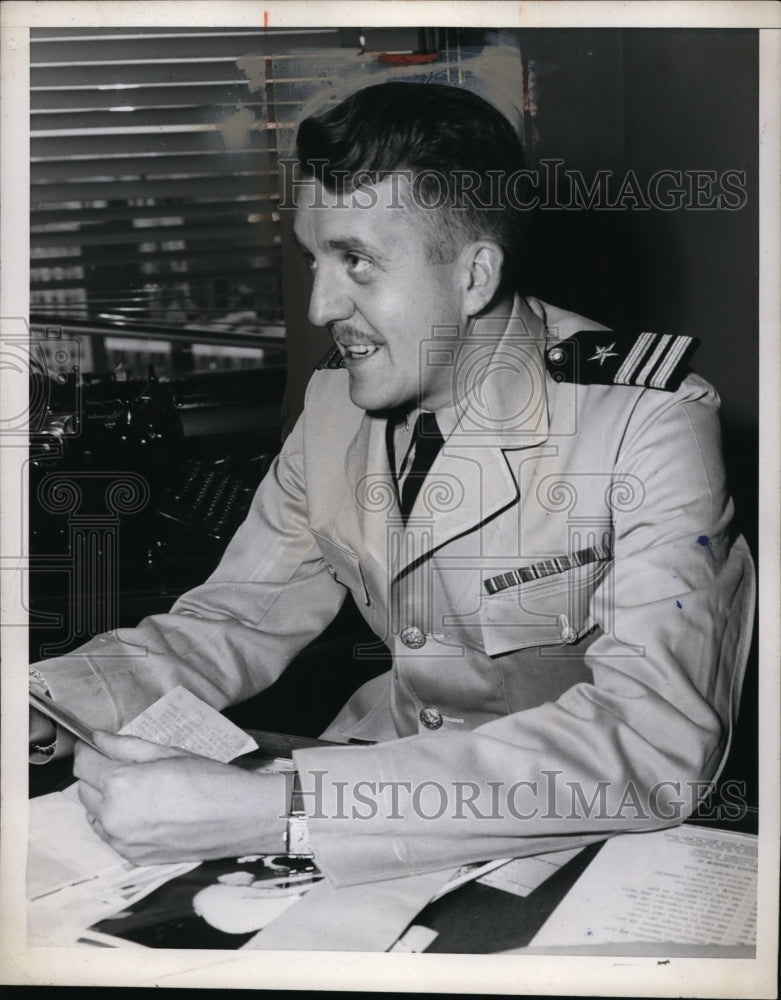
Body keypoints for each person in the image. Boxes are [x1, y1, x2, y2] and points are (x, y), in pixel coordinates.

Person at [29, 82, 755, 889]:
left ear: (474, 276)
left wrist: (284, 809)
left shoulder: (645, 421)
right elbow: (234, 617)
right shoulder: (335, 401)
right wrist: (47, 699)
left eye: (357, 261)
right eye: (314, 257)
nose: (318, 305)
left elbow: (652, 740)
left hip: (569, 837)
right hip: (372, 774)